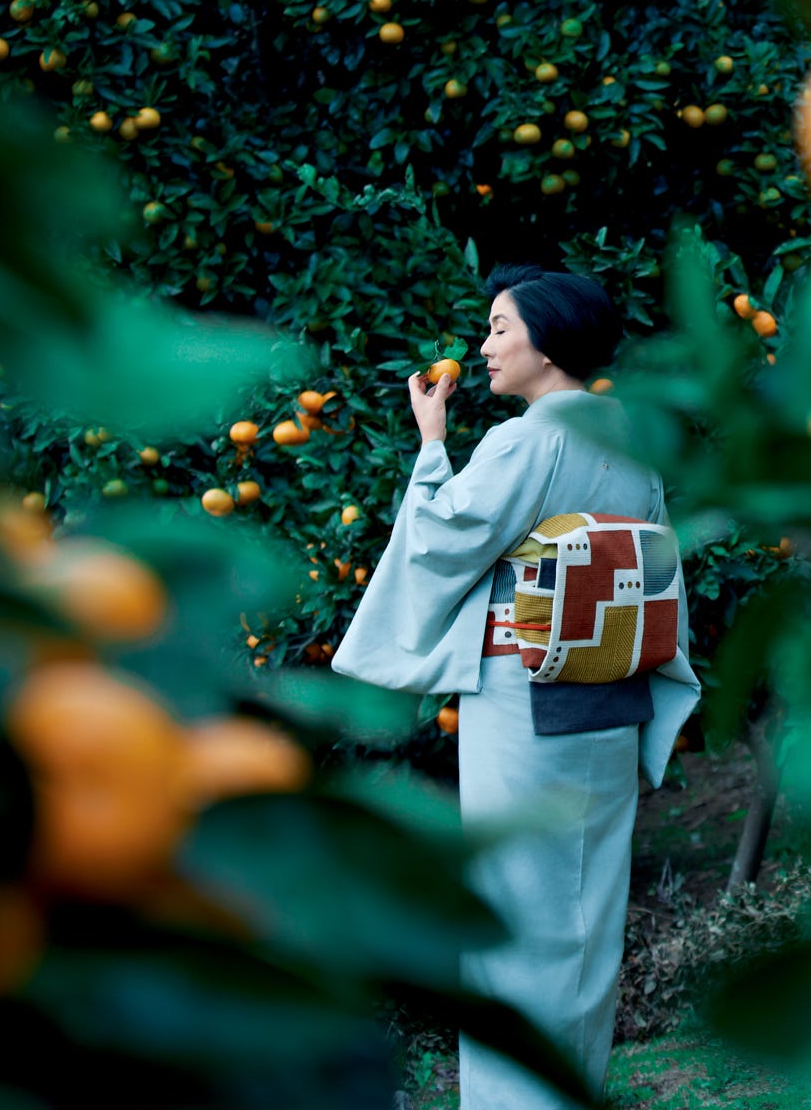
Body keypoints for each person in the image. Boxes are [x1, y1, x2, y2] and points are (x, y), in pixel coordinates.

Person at [330, 262, 700, 1109]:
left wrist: (432, 444)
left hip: (523, 694)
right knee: (585, 918)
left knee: (517, 914)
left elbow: (444, 540)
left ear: (550, 338)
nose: (484, 346)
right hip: (606, 692)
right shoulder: (625, 435)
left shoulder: (530, 437)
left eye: (500, 327)